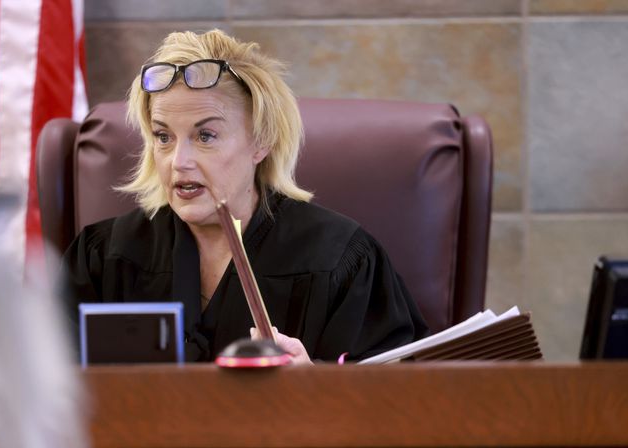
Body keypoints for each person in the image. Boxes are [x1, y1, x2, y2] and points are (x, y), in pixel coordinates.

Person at [63, 29, 428, 364]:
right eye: (163, 137)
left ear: (261, 141)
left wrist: (315, 385)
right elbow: (37, 395)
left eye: (205, 136)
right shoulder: (102, 257)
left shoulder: (342, 260)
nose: (179, 162)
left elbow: (397, 404)